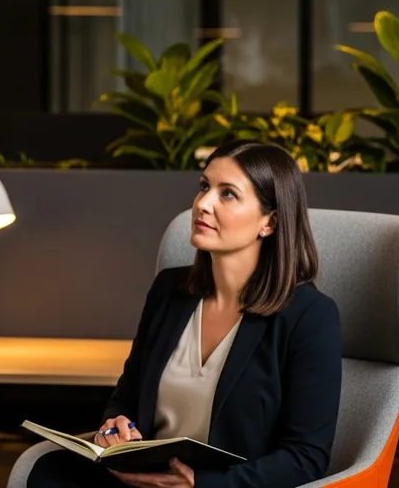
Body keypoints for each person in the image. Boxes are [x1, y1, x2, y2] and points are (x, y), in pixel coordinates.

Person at [28, 140, 342, 488]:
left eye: (228, 194)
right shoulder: (170, 292)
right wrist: (115, 428)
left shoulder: (310, 316)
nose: (202, 204)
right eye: (204, 187)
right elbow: (127, 397)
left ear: (269, 222)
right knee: (46, 473)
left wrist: (199, 485)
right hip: (142, 477)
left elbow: (305, 458)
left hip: (222, 486)